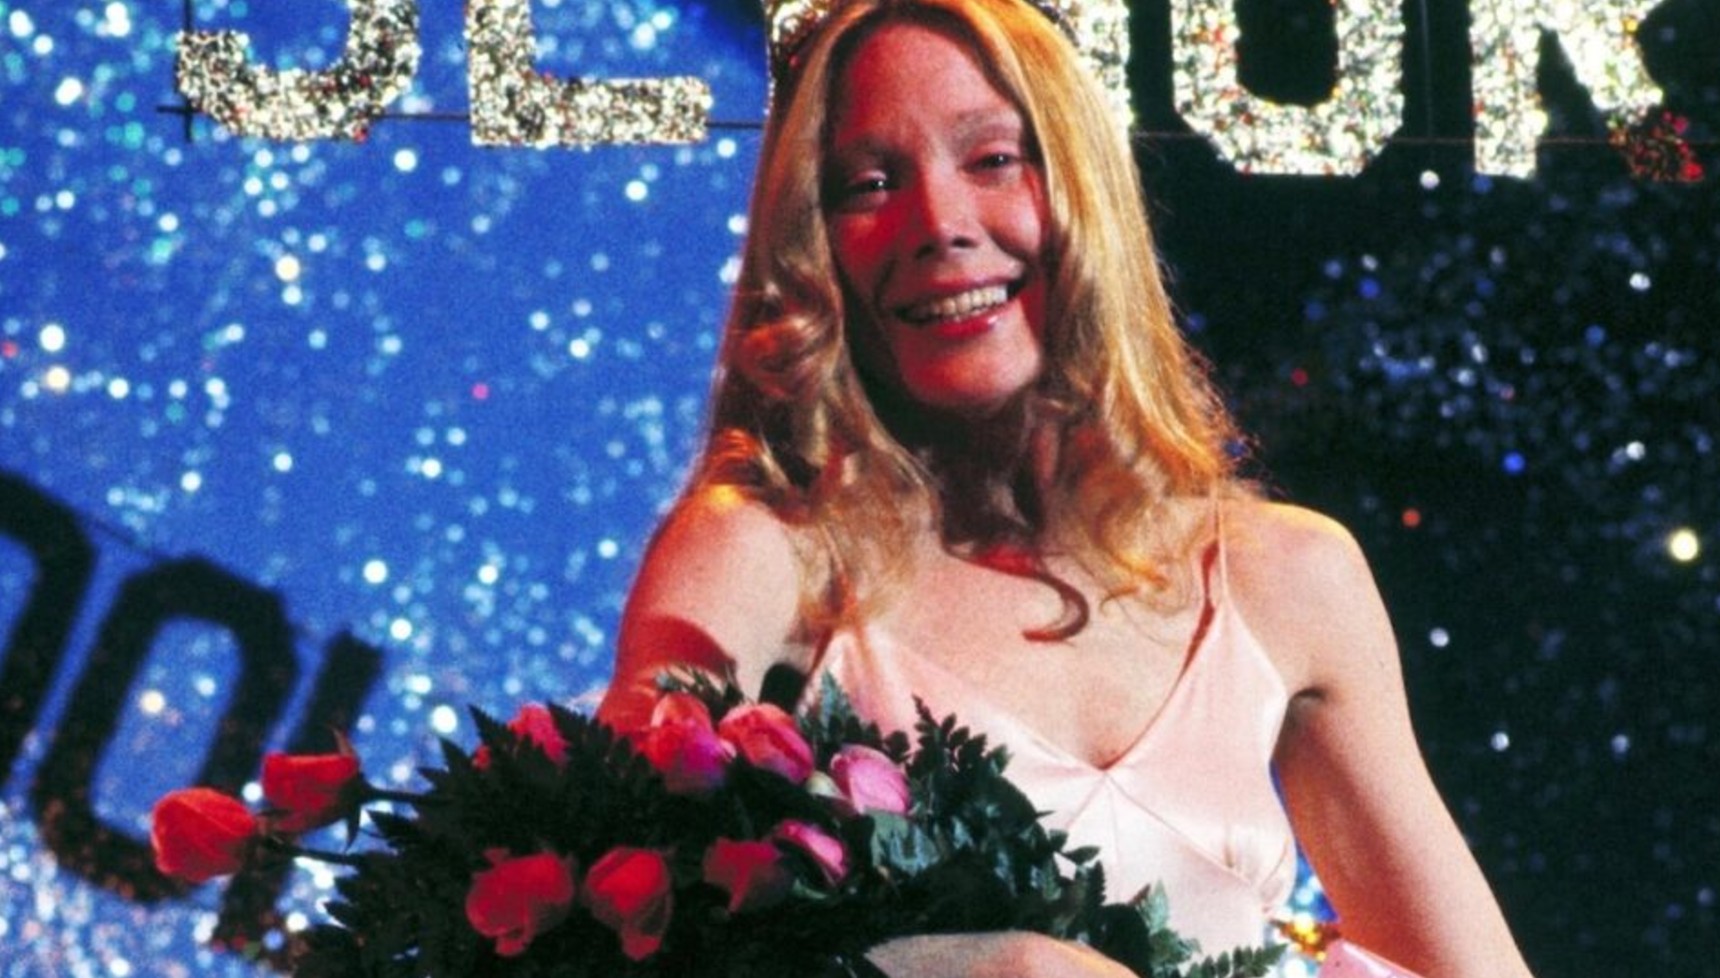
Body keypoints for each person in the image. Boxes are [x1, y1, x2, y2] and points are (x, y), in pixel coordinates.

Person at [598, 0, 1536, 974]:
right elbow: (592, 932)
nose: (939, 224)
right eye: (870, 183)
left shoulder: (1286, 576)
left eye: (994, 159)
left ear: (1087, 189)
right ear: (814, 241)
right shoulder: (766, 552)